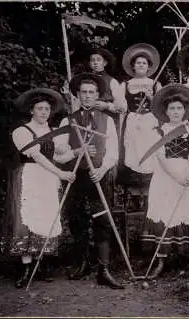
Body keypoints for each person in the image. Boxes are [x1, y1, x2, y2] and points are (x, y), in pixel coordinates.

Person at [54, 73, 123, 289]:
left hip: (99, 176)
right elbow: (58, 155)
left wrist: (102, 169)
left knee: (102, 219)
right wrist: (77, 152)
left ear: (98, 95)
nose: (87, 96)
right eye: (83, 92)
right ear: (77, 95)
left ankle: (104, 269)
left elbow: (114, 152)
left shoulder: (108, 120)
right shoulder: (67, 120)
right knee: (77, 220)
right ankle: (81, 263)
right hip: (76, 175)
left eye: (91, 92)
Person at [5, 88, 76, 288]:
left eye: (47, 109)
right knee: (27, 218)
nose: (44, 112)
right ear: (32, 111)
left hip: (48, 178)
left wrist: (78, 151)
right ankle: (25, 268)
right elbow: (37, 156)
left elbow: (57, 158)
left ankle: (40, 264)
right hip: (29, 177)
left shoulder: (51, 132)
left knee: (45, 217)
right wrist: (61, 174)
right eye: (40, 108)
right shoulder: (21, 131)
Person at [140, 84, 189, 278]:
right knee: (164, 213)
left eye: (179, 108)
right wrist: (176, 177)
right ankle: (161, 260)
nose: (176, 112)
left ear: (185, 111)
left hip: (185, 176)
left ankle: (184, 259)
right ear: (166, 111)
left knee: (183, 212)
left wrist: (188, 173)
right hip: (164, 178)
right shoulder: (158, 131)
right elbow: (160, 158)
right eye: (172, 108)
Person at [117, 43, 162, 204]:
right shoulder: (126, 85)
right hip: (133, 122)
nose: (141, 65)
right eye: (138, 63)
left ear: (149, 67)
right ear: (133, 66)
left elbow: (162, 109)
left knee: (150, 153)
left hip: (151, 122)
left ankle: (152, 189)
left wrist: (152, 98)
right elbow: (121, 108)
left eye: (144, 63)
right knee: (133, 153)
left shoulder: (156, 84)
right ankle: (135, 194)